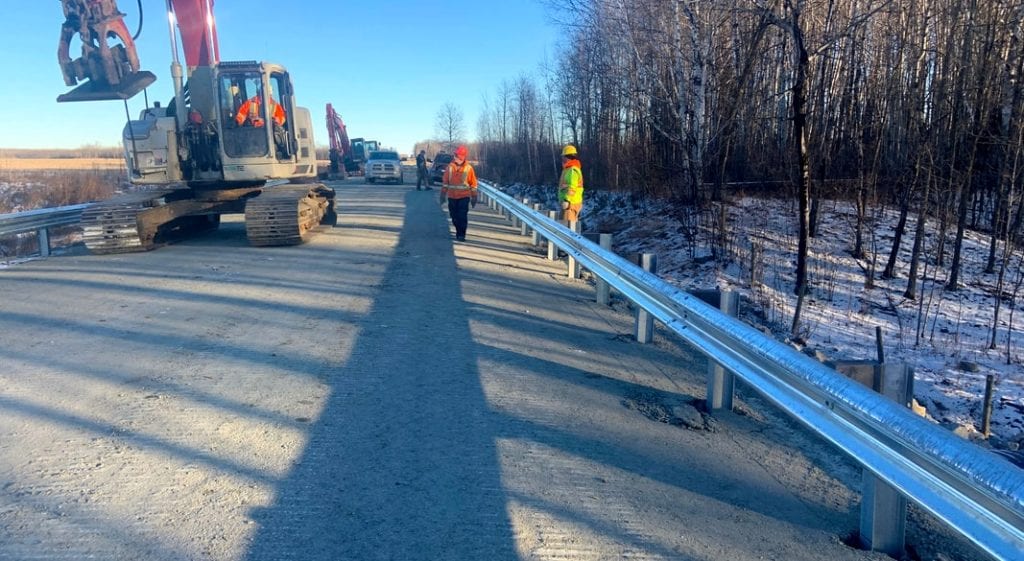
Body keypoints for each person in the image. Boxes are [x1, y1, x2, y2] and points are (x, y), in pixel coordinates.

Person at [439, 145, 478, 241]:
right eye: (455, 155)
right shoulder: (450, 167)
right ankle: (458, 230)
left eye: (456, 155)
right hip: (452, 197)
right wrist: (443, 195)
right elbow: (445, 183)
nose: (454, 157)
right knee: (454, 216)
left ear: (461, 157)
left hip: (464, 197)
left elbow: (473, 184)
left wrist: (474, 197)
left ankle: (461, 234)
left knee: (462, 215)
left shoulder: (469, 168)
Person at [558, 144, 584, 222]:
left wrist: (567, 200)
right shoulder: (568, 169)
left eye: (563, 156)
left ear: (568, 157)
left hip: (570, 204)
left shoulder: (572, 170)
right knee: (563, 227)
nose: (562, 158)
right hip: (568, 204)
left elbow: (571, 186)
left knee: (567, 228)